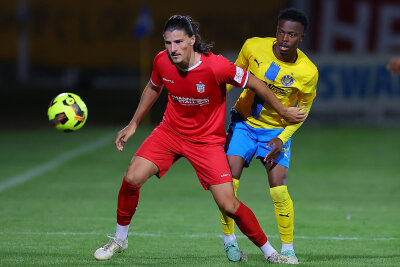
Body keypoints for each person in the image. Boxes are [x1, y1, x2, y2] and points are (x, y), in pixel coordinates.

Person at [93, 15, 305, 264]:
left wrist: (283, 110)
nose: (173, 49)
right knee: (132, 177)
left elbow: (254, 82)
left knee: (228, 204)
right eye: (168, 43)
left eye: (179, 42)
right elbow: (153, 86)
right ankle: (120, 239)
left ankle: (271, 253)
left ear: (192, 40)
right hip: (169, 133)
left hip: (206, 142)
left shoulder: (217, 66)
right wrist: (134, 123)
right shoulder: (162, 61)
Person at [218, 8, 318, 263]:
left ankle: (287, 248)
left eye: (292, 34)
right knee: (228, 184)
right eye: (281, 32)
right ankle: (230, 241)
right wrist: (213, 100)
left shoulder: (308, 72)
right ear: (276, 31)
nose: (285, 39)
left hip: (275, 132)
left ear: (301, 37)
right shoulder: (253, 47)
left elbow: (301, 113)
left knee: (279, 192)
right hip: (244, 124)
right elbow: (232, 76)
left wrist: (281, 139)